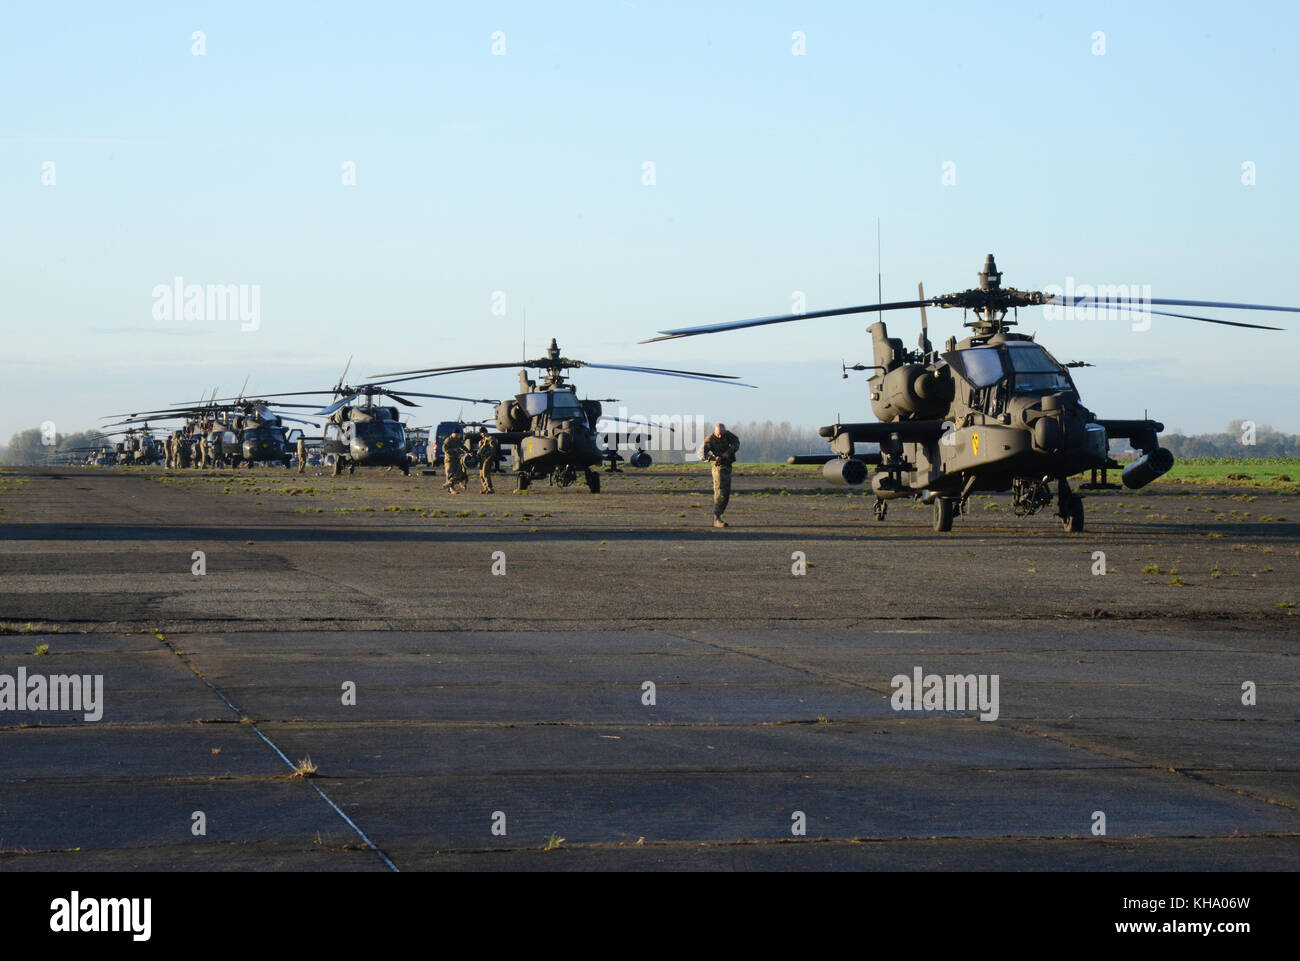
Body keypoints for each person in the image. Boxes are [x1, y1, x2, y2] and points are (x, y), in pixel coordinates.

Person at [700, 422, 740, 528]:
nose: (720, 436)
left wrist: (729, 452)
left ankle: (719, 515)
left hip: (727, 466)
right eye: (718, 434)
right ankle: (717, 518)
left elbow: (736, 443)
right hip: (718, 468)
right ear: (715, 431)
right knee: (720, 492)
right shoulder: (710, 439)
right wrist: (713, 458)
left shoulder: (728, 435)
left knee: (726, 493)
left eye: (722, 434)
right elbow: (701, 454)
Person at [442, 427, 467, 494]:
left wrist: (468, 451)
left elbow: (462, 446)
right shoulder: (448, 440)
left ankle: (449, 485)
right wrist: (452, 450)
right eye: (456, 434)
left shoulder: (457, 440)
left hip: (456, 459)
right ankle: (451, 489)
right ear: (452, 434)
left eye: (458, 434)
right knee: (450, 474)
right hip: (449, 460)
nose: (457, 435)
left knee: (458, 473)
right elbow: (444, 449)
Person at [477, 426, 499, 493]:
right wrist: (480, 445)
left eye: (483, 433)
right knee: (481, 474)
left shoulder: (491, 439)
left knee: (485, 473)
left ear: (486, 432)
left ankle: (490, 488)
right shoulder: (483, 440)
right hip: (482, 458)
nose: (482, 435)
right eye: (481, 433)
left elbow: (493, 449)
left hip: (488, 458)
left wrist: (489, 457)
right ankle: (485, 488)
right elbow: (481, 450)